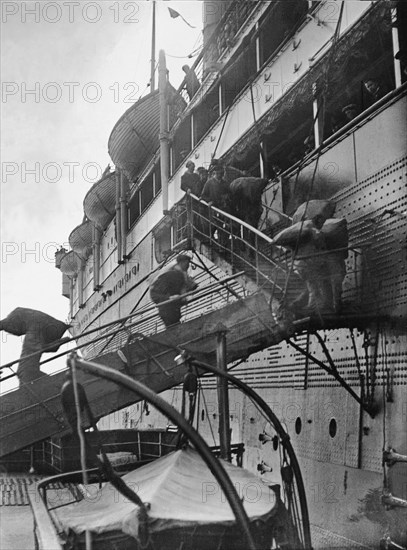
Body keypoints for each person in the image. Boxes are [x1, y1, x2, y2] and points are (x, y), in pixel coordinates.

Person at [149, 254, 198, 328]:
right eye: (187, 264)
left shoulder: (181, 275)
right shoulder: (170, 274)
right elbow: (154, 294)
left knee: (174, 327)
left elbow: (178, 292)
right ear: (182, 263)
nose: (188, 267)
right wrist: (169, 298)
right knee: (173, 328)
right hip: (168, 310)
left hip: (173, 309)